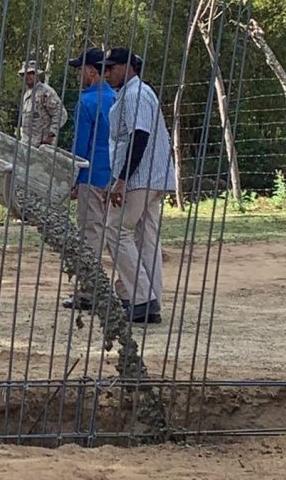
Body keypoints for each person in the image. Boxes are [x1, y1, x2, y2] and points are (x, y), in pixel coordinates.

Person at [102, 47, 176, 325]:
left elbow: (139, 138)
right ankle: (150, 301)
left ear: (128, 67)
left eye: (112, 68)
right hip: (153, 177)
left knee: (115, 228)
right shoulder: (139, 93)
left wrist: (121, 180)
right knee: (146, 238)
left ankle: (142, 297)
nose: (108, 73)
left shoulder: (135, 95)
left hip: (140, 177)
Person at [62, 47, 117, 312]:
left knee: (89, 232)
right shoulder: (116, 98)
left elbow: (80, 145)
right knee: (113, 231)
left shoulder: (86, 102)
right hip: (115, 174)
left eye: (80, 70)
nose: (78, 75)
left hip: (91, 172)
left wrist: (72, 178)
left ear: (93, 71)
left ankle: (88, 291)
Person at [17, 59, 68, 147]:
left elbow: (61, 113)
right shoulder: (27, 94)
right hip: (26, 144)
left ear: (37, 75)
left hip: (41, 146)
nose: (28, 77)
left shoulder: (45, 92)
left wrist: (51, 134)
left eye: (31, 73)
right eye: (25, 74)